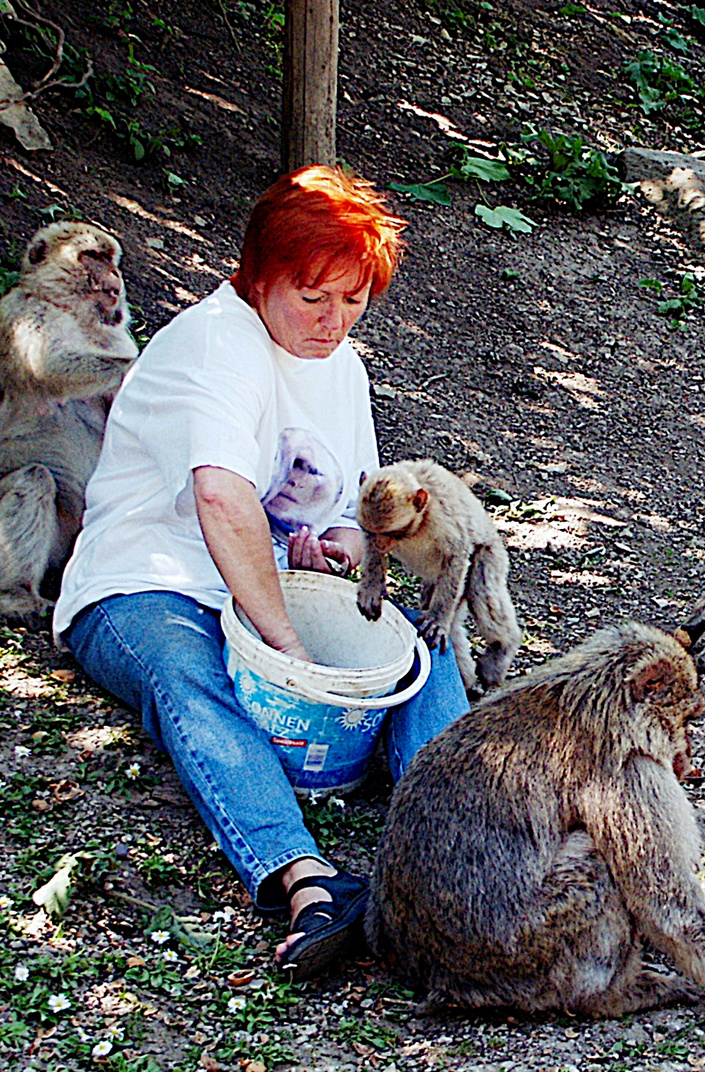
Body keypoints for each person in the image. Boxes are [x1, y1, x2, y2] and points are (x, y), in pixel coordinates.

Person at [52, 166, 470, 978]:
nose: (332, 322)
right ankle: (307, 881)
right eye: (313, 298)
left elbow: (353, 504)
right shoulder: (215, 345)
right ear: (259, 273)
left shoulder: (341, 366)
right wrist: (287, 642)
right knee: (188, 671)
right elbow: (221, 495)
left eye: (352, 301)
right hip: (149, 581)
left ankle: (463, 830)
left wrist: (343, 546)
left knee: (424, 650)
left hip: (276, 582)